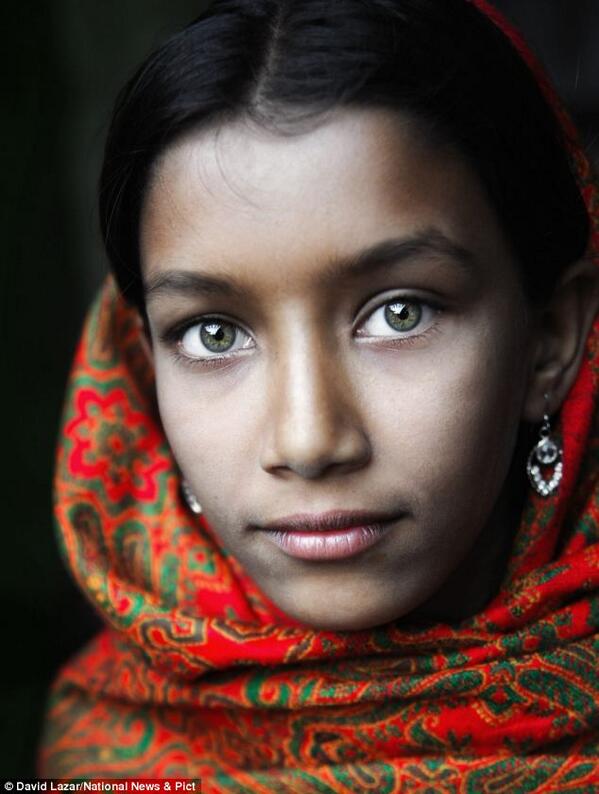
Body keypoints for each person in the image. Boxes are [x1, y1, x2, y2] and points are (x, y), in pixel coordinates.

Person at [39, 0, 599, 788]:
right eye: (212, 334)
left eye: (398, 314)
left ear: (549, 339)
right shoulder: (102, 753)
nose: (307, 440)